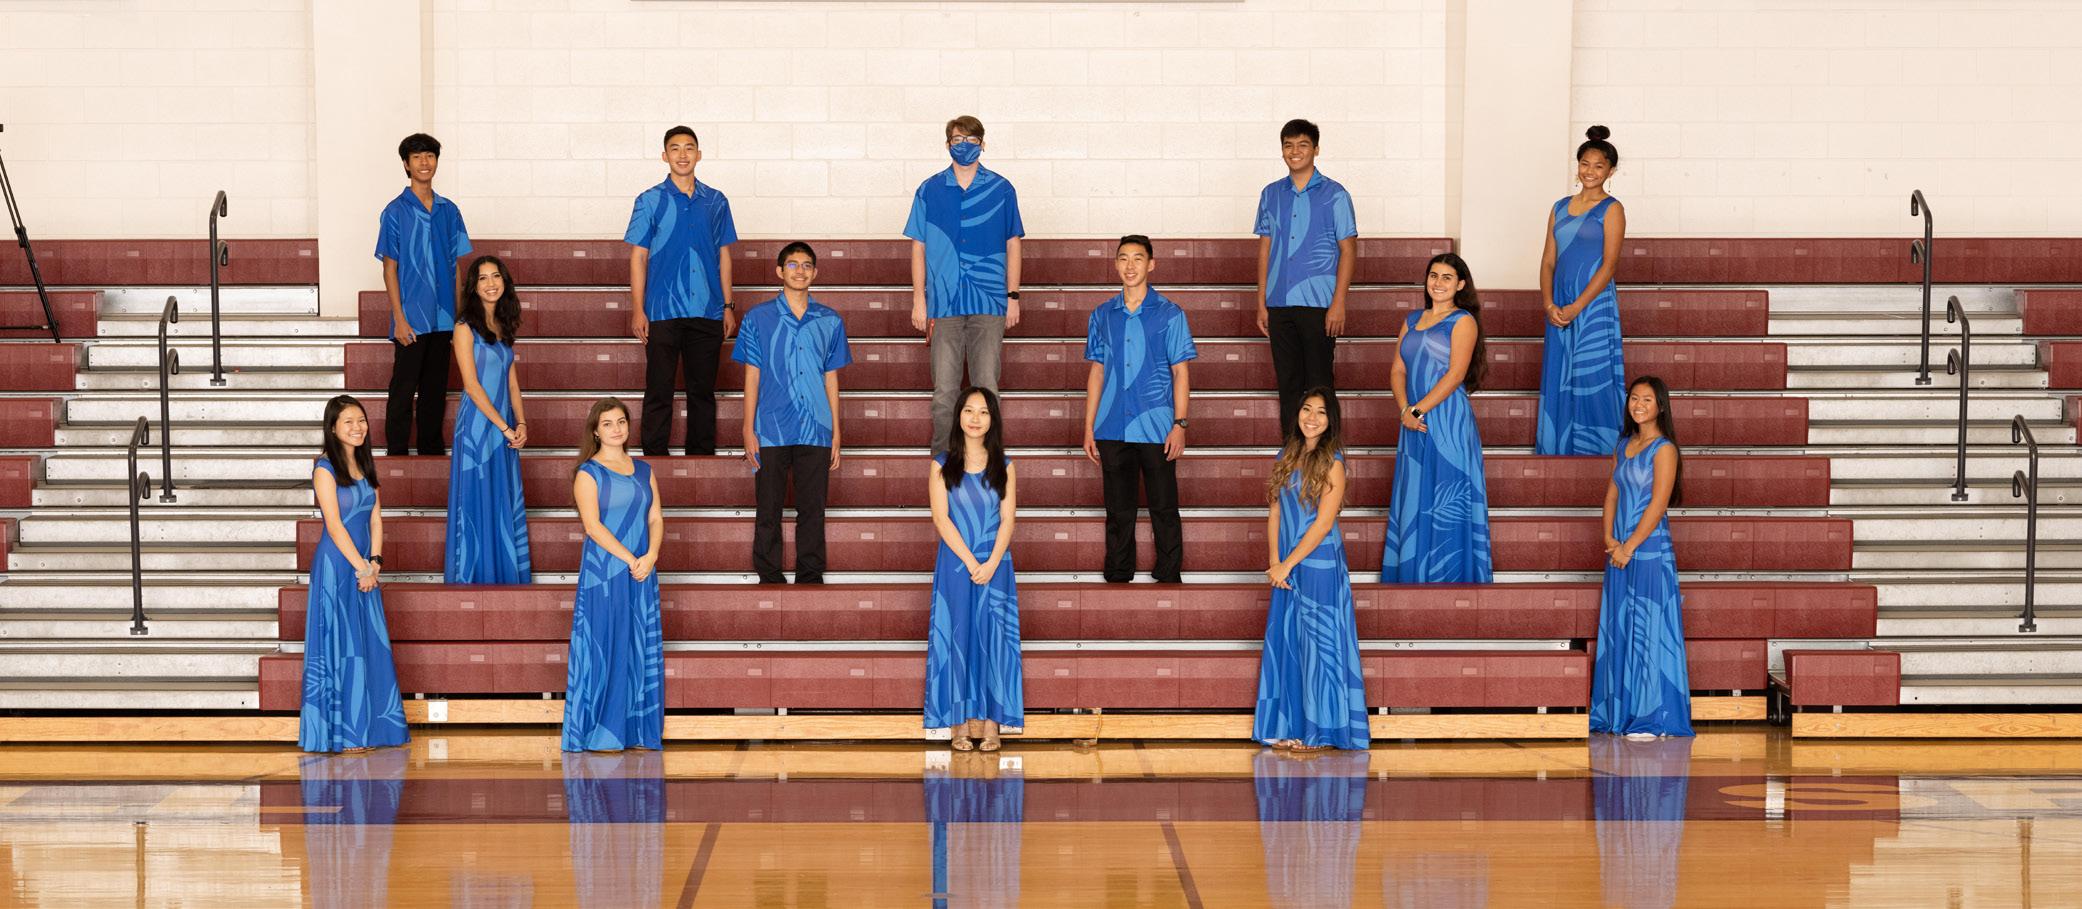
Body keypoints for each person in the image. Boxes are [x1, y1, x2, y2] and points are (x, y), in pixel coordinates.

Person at [1253, 388, 1369, 752]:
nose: (1312, 418)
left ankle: (1319, 730)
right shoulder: (1285, 455)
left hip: (1318, 565)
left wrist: (1287, 563)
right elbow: (1274, 511)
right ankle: (1289, 726)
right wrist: (1275, 562)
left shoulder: (1333, 462)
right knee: (1290, 644)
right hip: (1286, 566)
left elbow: (1323, 524)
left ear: (1330, 420)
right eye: (1306, 409)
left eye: (1320, 412)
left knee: (1319, 649)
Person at [733, 242, 852, 584]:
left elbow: (831, 378)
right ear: (779, 271)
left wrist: (836, 432)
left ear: (815, 273)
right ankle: (768, 574)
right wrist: (747, 429)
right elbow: (751, 376)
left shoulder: (830, 320)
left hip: (816, 428)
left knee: (812, 509)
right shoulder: (757, 318)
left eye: (806, 265)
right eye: (792, 264)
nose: (800, 271)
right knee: (768, 508)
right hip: (770, 427)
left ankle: (810, 575)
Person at [905, 115, 1025, 455]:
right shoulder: (929, 189)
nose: (965, 146)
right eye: (958, 140)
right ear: (947, 144)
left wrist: (1013, 295)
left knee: (986, 388)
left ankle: (988, 463)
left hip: (989, 302)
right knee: (945, 392)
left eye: (972, 140)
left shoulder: (1001, 188)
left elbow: (1014, 243)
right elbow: (918, 247)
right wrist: (919, 300)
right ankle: (944, 465)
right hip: (943, 304)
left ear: (982, 144)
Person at [1083, 235, 1197, 584]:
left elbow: (1180, 372)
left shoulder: (1170, 314)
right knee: (1118, 510)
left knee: (1164, 506)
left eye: (1137, 258)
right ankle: (1118, 572)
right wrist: (1089, 427)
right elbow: (1097, 372)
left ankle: (1169, 572)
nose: (1129, 266)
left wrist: (1180, 424)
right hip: (1111, 425)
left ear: (1151, 264)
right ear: (1115, 264)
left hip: (1157, 425)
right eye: (1123, 258)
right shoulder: (1102, 315)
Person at [300, 395, 409, 753]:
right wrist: (361, 566)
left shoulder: (365, 464)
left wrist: (375, 561)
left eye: (361, 420)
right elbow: (334, 526)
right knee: (343, 646)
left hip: (366, 569)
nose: (357, 427)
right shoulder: (324, 468)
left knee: (367, 645)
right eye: (348, 421)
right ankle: (345, 733)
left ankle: (372, 728)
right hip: (338, 567)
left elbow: (376, 518)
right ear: (332, 428)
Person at [1590, 376, 1694, 740]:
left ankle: (1650, 718)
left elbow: (1658, 504)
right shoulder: (1623, 444)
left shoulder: (1664, 449)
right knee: (1621, 626)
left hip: (1647, 551)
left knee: (1647, 628)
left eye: (1647, 400)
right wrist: (1609, 539)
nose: (1638, 405)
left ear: (1660, 406)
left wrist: (1629, 546)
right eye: (1634, 398)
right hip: (1619, 550)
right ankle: (1617, 713)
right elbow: (1612, 495)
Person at [626, 125, 738, 457]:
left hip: (707, 310)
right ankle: (654, 457)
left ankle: (701, 458)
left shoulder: (716, 201)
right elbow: (638, 257)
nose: (682, 154)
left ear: (698, 154)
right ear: (665, 156)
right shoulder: (649, 201)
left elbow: (724, 256)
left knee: (702, 392)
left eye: (689, 147)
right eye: (675, 148)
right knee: (658, 389)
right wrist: (637, 309)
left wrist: (728, 305)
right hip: (661, 311)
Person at [1383, 253, 1494, 583]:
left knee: (1448, 498)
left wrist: (1417, 409)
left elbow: (1456, 374)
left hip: (1447, 422)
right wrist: (1405, 409)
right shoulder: (1411, 320)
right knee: (1417, 497)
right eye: (1434, 275)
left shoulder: (1463, 321)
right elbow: (1397, 370)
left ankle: (1451, 579)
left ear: (1460, 285)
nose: (1438, 282)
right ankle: (1414, 576)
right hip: (1412, 421)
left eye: (1447, 277)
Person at [563, 398, 666, 752]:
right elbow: (592, 527)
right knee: (604, 647)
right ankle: (599, 731)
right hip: (605, 575)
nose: (616, 429)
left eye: (621, 421)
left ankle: (635, 730)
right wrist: (631, 559)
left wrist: (651, 556)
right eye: (607, 423)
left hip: (641, 572)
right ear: (595, 431)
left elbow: (655, 517)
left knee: (636, 646)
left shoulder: (644, 470)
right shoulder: (588, 473)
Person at [924, 388, 1023, 753]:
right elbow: (941, 518)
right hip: (956, 565)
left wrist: (992, 562)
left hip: (996, 565)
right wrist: (970, 562)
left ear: (992, 420)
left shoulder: (1005, 465)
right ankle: (959, 725)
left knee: (994, 641)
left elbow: (1008, 519)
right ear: (959, 416)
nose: (975, 418)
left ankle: (994, 725)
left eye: (983, 412)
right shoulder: (941, 464)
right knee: (957, 639)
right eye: (969, 410)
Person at [1254, 118, 1357, 435]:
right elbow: (1265, 249)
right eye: (1288, 145)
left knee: (1319, 384)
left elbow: (1348, 250)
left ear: (1316, 149)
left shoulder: (1336, 195)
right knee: (1288, 384)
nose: (1295, 151)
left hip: (1319, 305)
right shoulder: (1270, 194)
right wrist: (1261, 302)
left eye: (1302, 144)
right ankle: (1292, 451)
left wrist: (1338, 303)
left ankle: (1325, 453)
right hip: (1279, 302)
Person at [374, 133, 472, 456]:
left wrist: (459, 317)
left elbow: (456, 267)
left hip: (444, 317)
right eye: (416, 157)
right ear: (406, 164)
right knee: (403, 389)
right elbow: (389, 269)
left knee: (435, 390)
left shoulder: (450, 211)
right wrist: (399, 319)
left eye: (429, 156)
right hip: (411, 318)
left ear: (436, 161)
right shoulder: (394, 212)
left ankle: (431, 451)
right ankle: (397, 453)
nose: (424, 162)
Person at [1537, 125, 1629, 456]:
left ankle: (1601, 450)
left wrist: (1577, 307)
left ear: (1610, 171)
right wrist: (1549, 304)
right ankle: (1558, 448)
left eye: (1598, 166)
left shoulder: (1612, 209)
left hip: (1593, 304)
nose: (1590, 171)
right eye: (1585, 164)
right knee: (1560, 373)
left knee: (1593, 373)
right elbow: (1548, 260)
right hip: (1559, 304)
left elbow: (1609, 265)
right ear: (1577, 166)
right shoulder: (1559, 207)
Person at [444, 255, 532, 585]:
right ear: (473, 286)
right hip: (478, 427)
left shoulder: (504, 326)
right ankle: (474, 578)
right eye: (483, 278)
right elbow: (471, 385)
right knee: (477, 500)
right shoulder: (464, 327)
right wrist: (505, 426)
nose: (491, 283)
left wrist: (521, 423)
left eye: (496, 276)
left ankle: (504, 575)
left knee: (500, 499)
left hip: (504, 426)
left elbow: (512, 383)